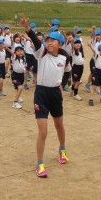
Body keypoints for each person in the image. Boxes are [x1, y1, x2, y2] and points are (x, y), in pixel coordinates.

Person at [21, 14, 69, 178]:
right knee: (43, 131)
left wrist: (63, 83)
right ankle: (40, 164)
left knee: (59, 126)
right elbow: (36, 40)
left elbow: (67, 72)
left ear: (60, 44)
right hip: (41, 94)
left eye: (53, 40)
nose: (49, 42)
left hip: (55, 94)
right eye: (47, 40)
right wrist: (27, 28)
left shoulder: (64, 57)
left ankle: (62, 149)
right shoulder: (41, 53)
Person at [87, 42, 101, 106]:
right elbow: (94, 52)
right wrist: (90, 46)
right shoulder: (97, 56)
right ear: (99, 51)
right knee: (94, 86)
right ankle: (91, 99)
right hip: (96, 72)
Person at [6, 44, 27, 109]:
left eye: (21, 51)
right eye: (18, 51)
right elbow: (11, 52)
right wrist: (6, 47)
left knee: (19, 88)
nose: (20, 52)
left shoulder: (24, 59)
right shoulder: (14, 57)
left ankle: (18, 97)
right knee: (20, 88)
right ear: (15, 53)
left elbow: (24, 66)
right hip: (15, 76)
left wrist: (25, 69)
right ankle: (15, 103)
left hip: (21, 75)